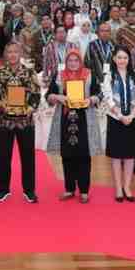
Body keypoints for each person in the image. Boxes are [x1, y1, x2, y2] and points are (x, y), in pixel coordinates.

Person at [45, 49, 102, 203]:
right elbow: (48, 95)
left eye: (76, 60)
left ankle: (84, 191)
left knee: (84, 155)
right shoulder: (59, 76)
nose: (73, 63)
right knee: (67, 155)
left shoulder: (89, 75)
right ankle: (69, 189)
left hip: (84, 119)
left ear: (81, 61)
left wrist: (90, 100)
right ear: (66, 62)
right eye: (70, 60)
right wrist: (58, 96)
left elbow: (99, 93)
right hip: (65, 120)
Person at [0, 42, 41, 203]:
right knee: (4, 156)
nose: (12, 55)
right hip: (5, 122)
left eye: (15, 52)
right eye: (9, 52)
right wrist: (2, 106)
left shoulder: (29, 72)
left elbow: (36, 93)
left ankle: (29, 190)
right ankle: (3, 189)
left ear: (20, 54)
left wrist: (30, 108)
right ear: (5, 54)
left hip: (25, 121)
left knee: (28, 157)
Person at [102, 46, 135, 202]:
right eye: (119, 57)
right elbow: (108, 98)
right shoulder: (109, 76)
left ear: (129, 59)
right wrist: (120, 116)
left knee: (130, 155)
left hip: (132, 119)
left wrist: (131, 115)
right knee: (117, 156)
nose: (122, 61)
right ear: (114, 59)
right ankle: (118, 188)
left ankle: (127, 187)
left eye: (125, 58)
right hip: (115, 119)